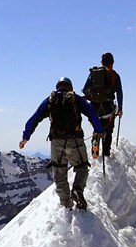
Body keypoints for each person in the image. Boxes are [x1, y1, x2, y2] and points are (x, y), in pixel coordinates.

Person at [19, 77, 104, 210]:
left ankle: (66, 205)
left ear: (57, 86)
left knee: (59, 173)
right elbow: (91, 113)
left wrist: (26, 137)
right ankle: (77, 190)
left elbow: (35, 118)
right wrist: (99, 130)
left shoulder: (50, 100)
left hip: (56, 142)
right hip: (75, 140)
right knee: (82, 167)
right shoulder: (76, 98)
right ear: (70, 86)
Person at [82, 52, 123, 157]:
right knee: (108, 132)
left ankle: (95, 153)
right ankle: (106, 153)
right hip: (108, 109)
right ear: (112, 62)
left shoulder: (94, 73)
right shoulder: (114, 75)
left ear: (102, 62)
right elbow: (119, 93)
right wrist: (120, 108)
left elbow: (85, 89)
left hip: (94, 109)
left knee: (97, 129)